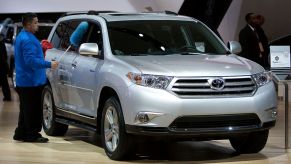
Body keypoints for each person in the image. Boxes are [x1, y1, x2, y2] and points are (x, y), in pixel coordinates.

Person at [13, 13, 58, 143]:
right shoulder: (27, 39)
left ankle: (20, 132)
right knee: (32, 110)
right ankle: (32, 134)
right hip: (31, 81)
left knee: (25, 109)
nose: (37, 25)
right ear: (28, 24)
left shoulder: (23, 36)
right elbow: (30, 61)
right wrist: (49, 64)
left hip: (25, 80)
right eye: (35, 22)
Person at [0, 33, 11, 101]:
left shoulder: (2, 44)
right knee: (4, 83)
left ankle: (7, 96)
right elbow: (4, 56)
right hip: (2, 66)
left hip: (1, 65)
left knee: (4, 83)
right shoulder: (2, 44)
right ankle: (7, 96)